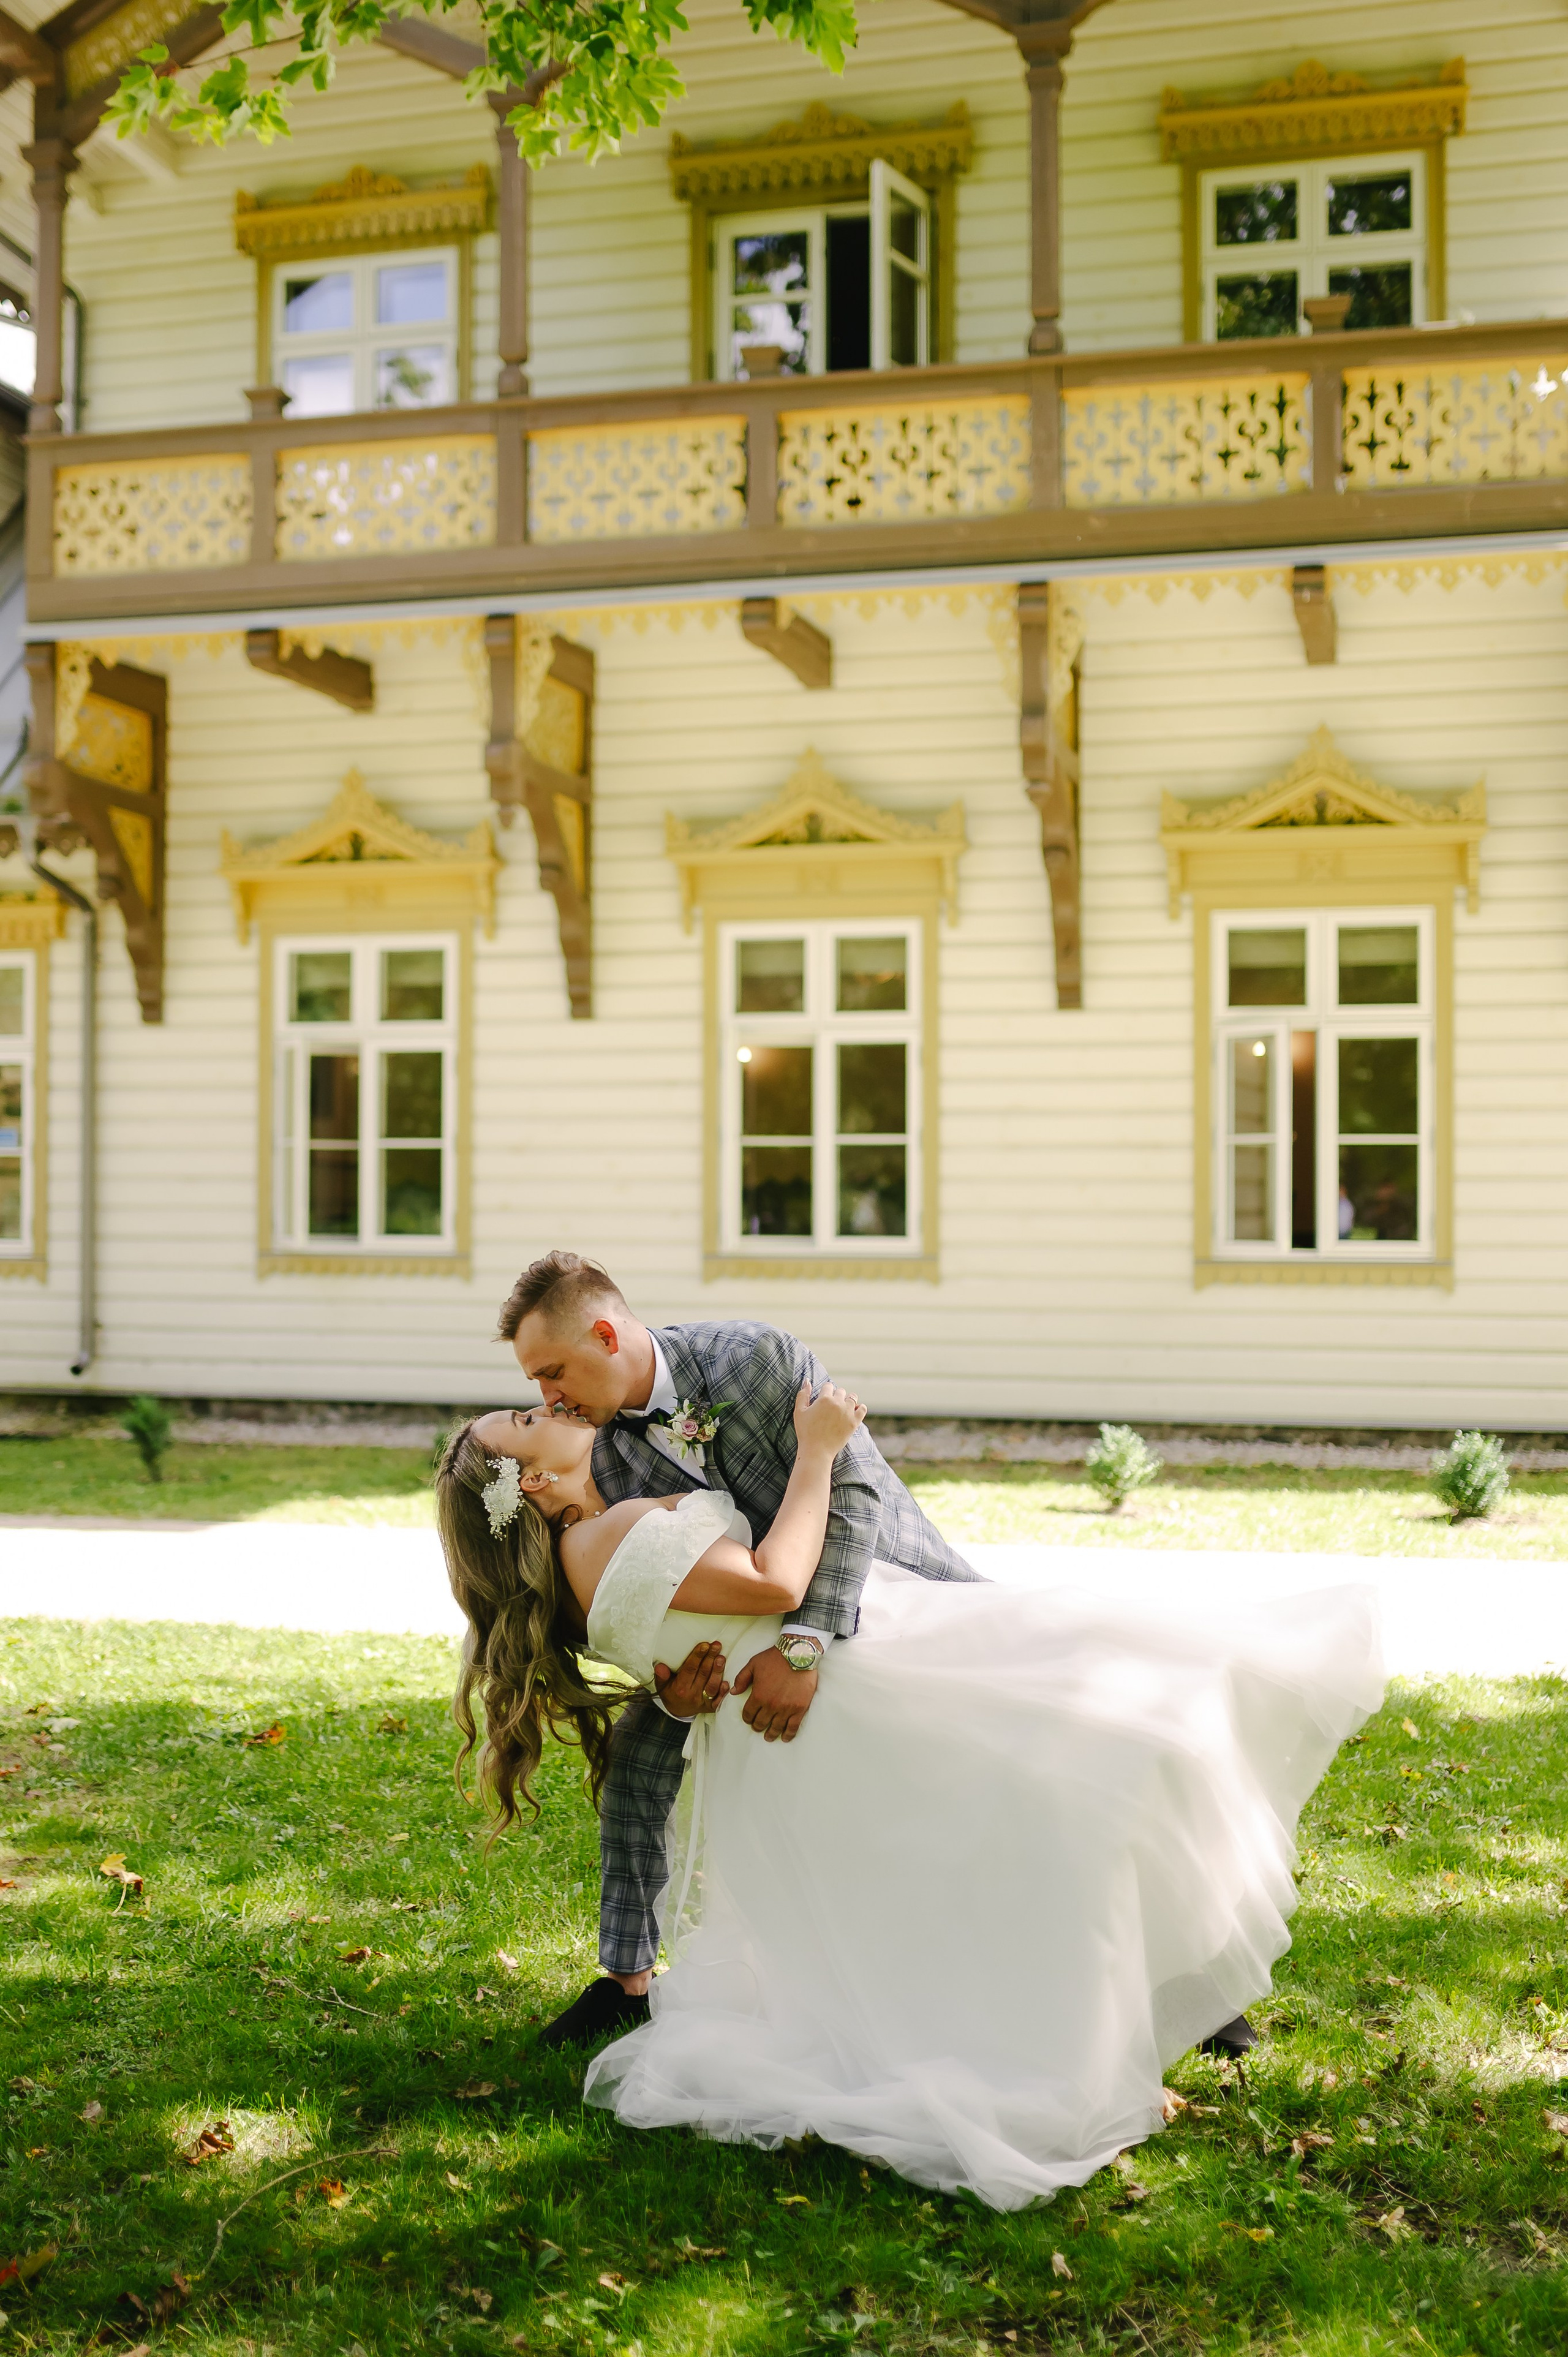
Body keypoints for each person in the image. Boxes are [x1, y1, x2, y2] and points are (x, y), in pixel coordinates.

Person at [435, 1368, 1383, 2209]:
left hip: (787, 1734)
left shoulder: (581, 1563)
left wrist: (681, 1695)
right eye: (527, 1420)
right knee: (1091, 1770)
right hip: (842, 1695)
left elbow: (684, 1655)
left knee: (974, 1857)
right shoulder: (615, 1531)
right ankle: (1090, 2047)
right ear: (529, 1483)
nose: (548, 1406)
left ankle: (1115, 2020)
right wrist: (817, 1452)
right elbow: (773, 1580)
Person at [491, 1250, 992, 2052]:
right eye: (535, 1385)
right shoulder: (597, 1457)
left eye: (553, 1371)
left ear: (607, 1335)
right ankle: (625, 1982)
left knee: (994, 1763)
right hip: (738, 1625)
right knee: (634, 1765)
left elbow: (854, 1493)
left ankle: (1173, 1982)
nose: (547, 1396)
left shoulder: (753, 1358)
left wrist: (802, 1647)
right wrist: (671, 1690)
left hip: (870, 1584)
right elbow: (652, 1596)